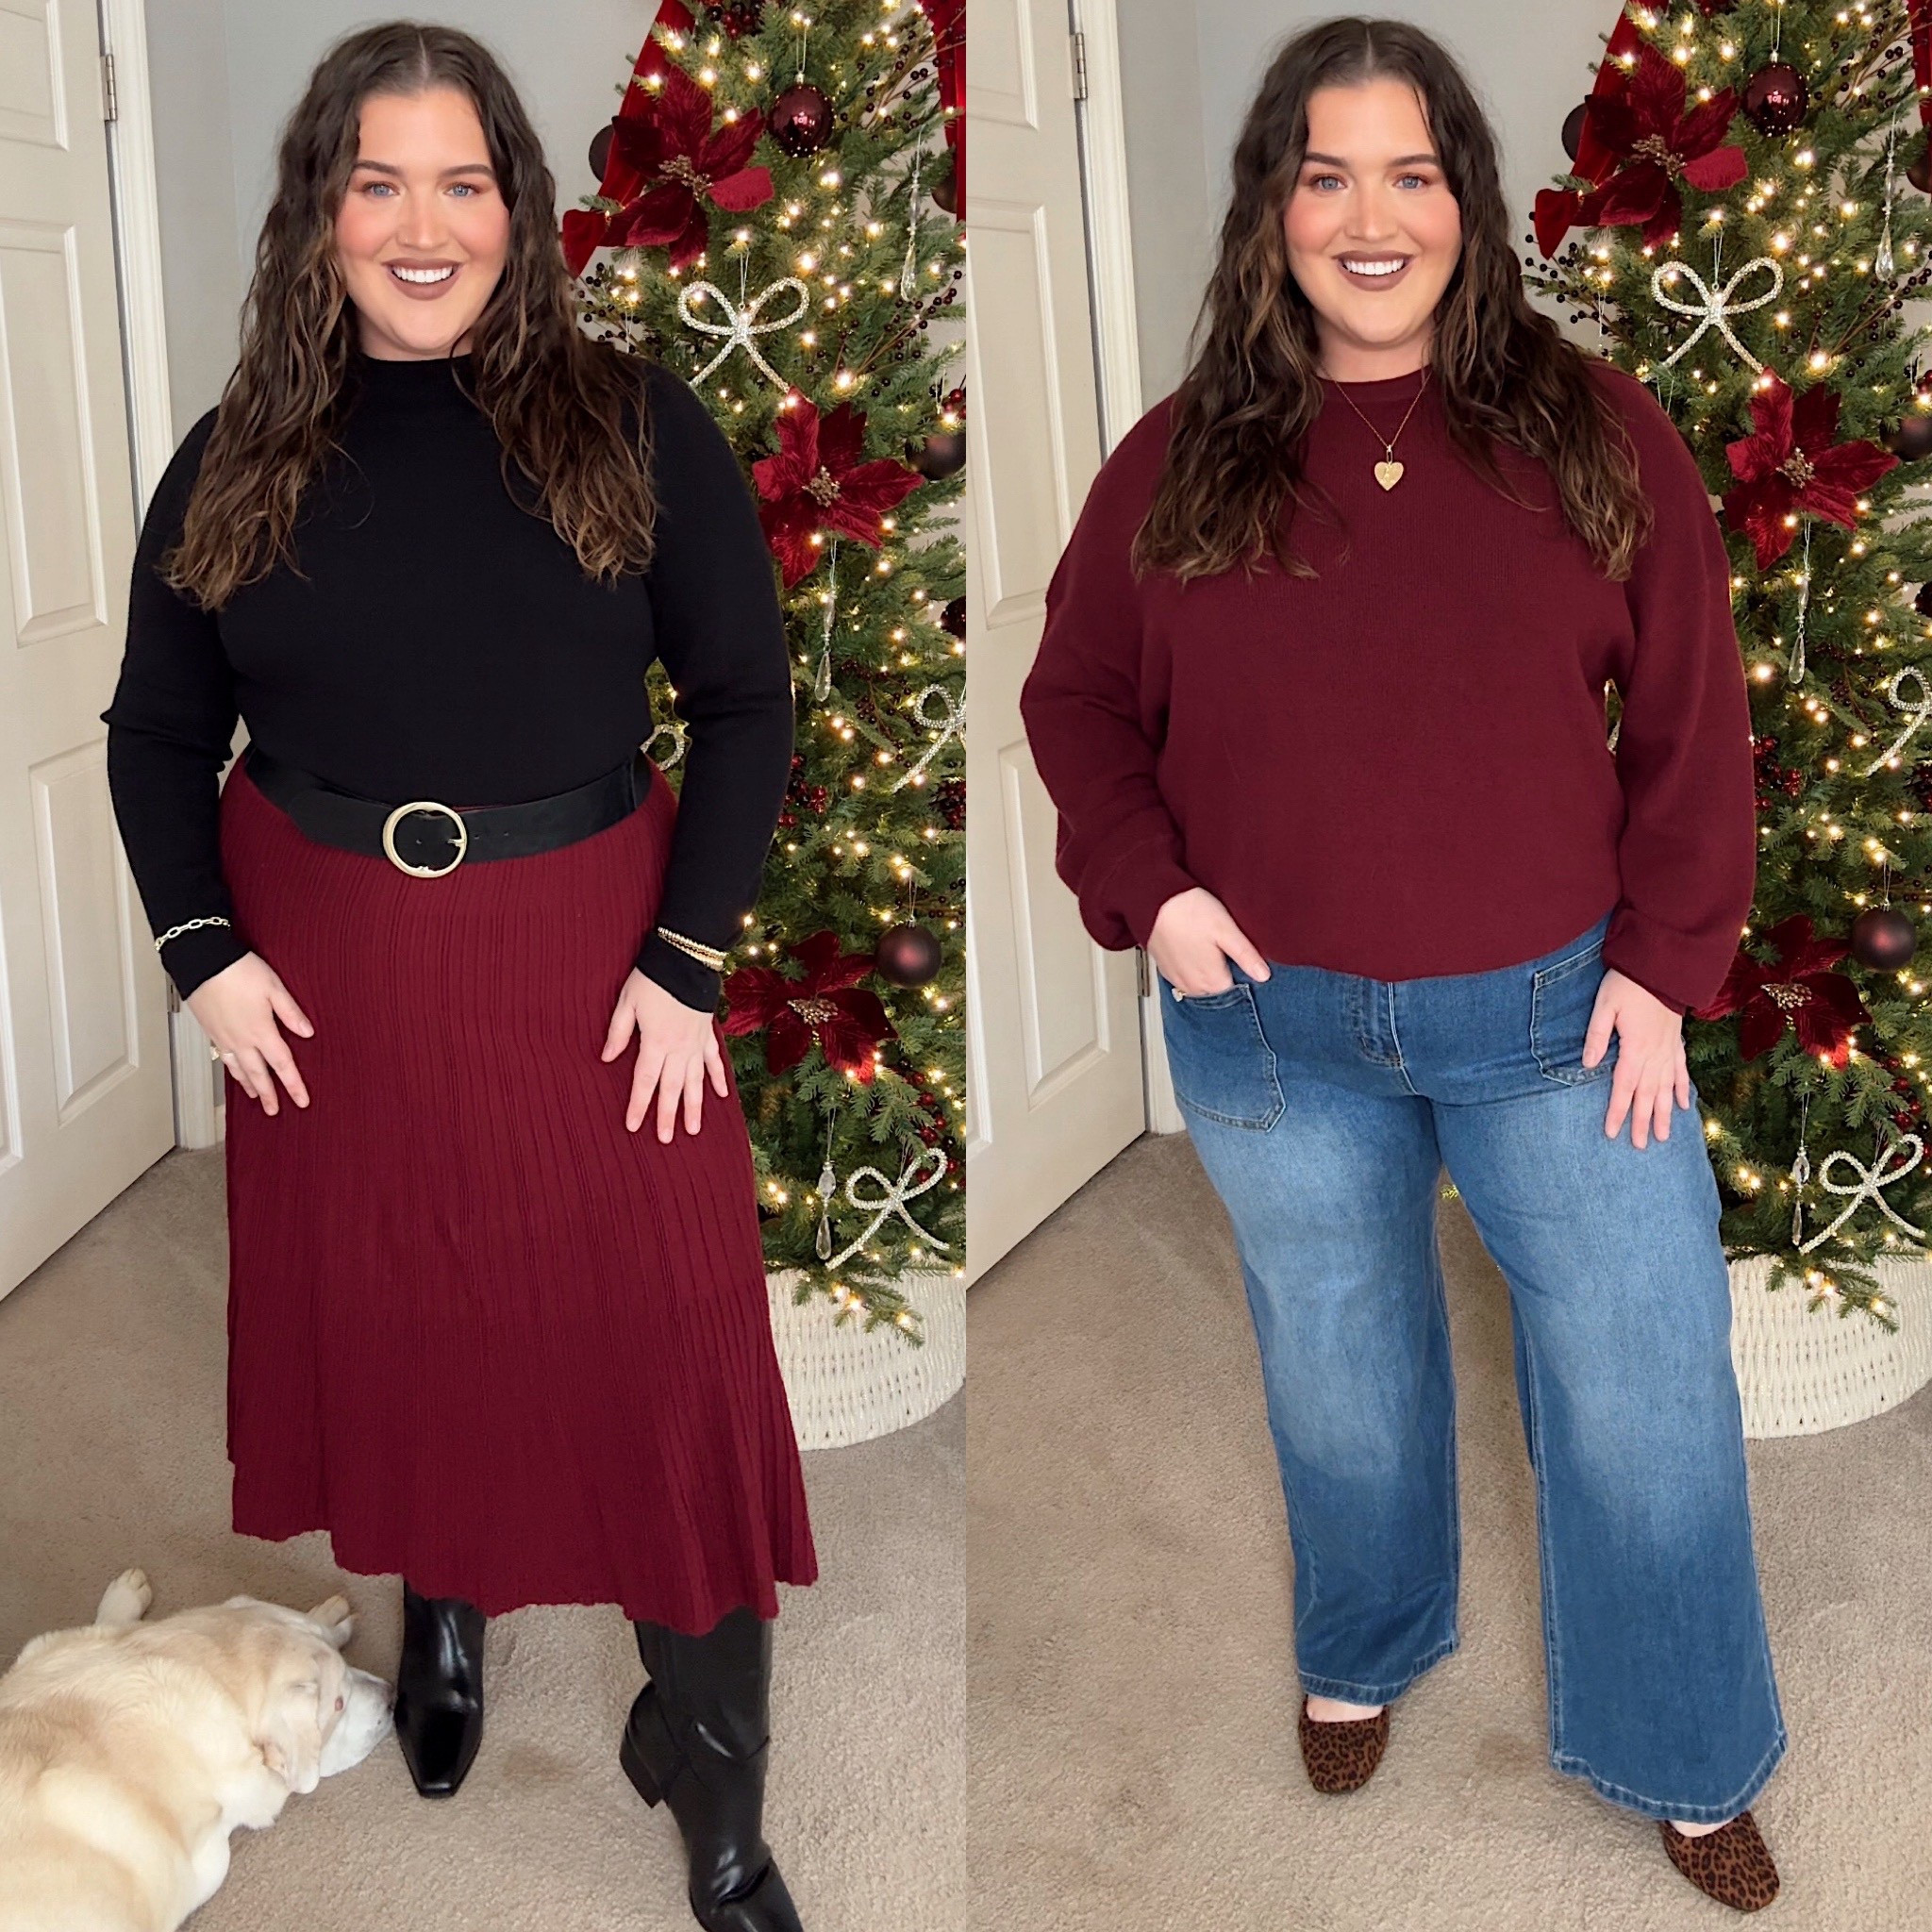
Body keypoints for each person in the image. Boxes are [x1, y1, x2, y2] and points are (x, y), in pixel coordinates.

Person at [1019, 16, 1785, 1916]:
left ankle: (1686, 1746)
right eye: (1325, 172)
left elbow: (1694, 723)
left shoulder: (1597, 435)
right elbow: (1078, 698)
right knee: (1340, 1370)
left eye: (1411, 173)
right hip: (1269, 1034)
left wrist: (1666, 968)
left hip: (1558, 1021)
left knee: (1643, 1387)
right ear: (1274, 206)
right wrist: (1151, 891)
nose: (1370, 217)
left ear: (1467, 203)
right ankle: (1366, 1635)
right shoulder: (1176, 460)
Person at [101, 23, 815, 1932]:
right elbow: (158, 732)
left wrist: (686, 965)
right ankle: (446, 1611)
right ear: (320, 209)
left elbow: (744, 702)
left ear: (518, 206)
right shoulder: (237, 449)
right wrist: (204, 958)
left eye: (462, 181)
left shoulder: (636, 421)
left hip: (599, 946)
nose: (423, 224)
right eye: (378, 180)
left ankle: (718, 1780)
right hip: (320, 958)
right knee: (415, 1307)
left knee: (663, 1343)